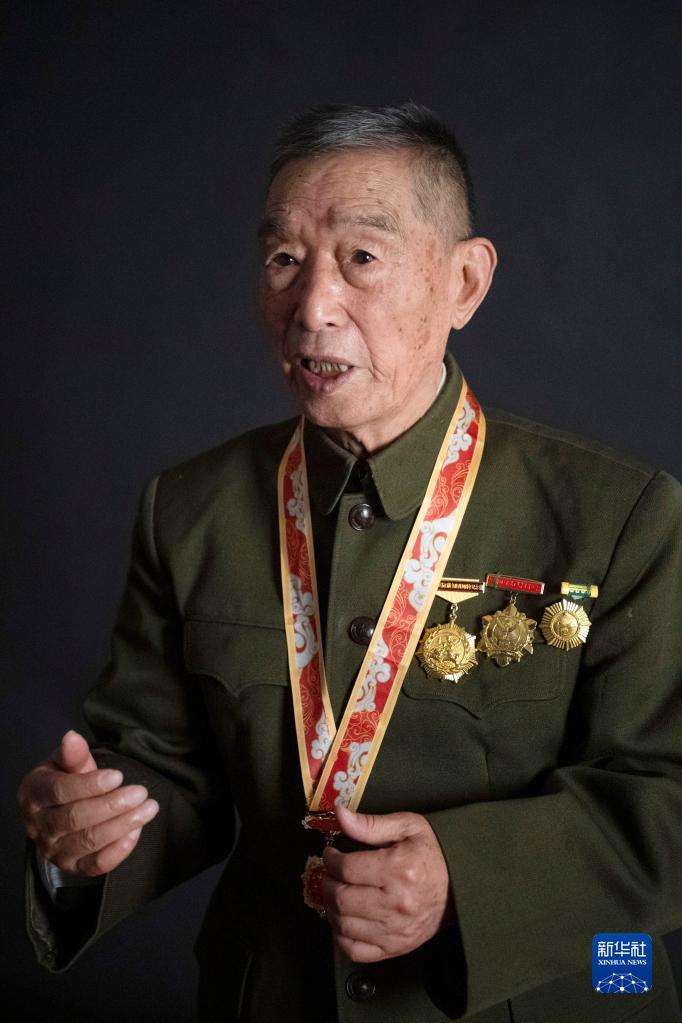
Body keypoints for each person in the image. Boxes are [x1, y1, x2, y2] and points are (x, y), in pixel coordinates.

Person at [18, 104, 682, 1022]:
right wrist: (84, 831)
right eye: (284, 260)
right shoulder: (190, 508)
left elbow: (666, 795)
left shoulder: (621, 514)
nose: (312, 307)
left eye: (361, 258)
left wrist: (466, 880)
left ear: (464, 281)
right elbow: (169, 769)